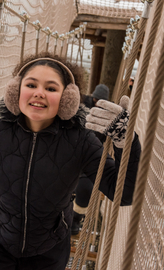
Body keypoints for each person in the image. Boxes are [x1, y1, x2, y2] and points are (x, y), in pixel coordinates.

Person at [0, 53, 141, 270]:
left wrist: (126, 142)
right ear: (16, 90)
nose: (39, 93)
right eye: (31, 84)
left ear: (68, 99)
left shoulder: (81, 139)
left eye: (51, 88)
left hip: (49, 248)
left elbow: (123, 194)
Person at [72, 84, 110, 235]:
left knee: (86, 188)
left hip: (91, 155)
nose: (97, 102)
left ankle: (76, 218)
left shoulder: (106, 115)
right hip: (74, 150)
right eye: (96, 99)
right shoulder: (80, 106)